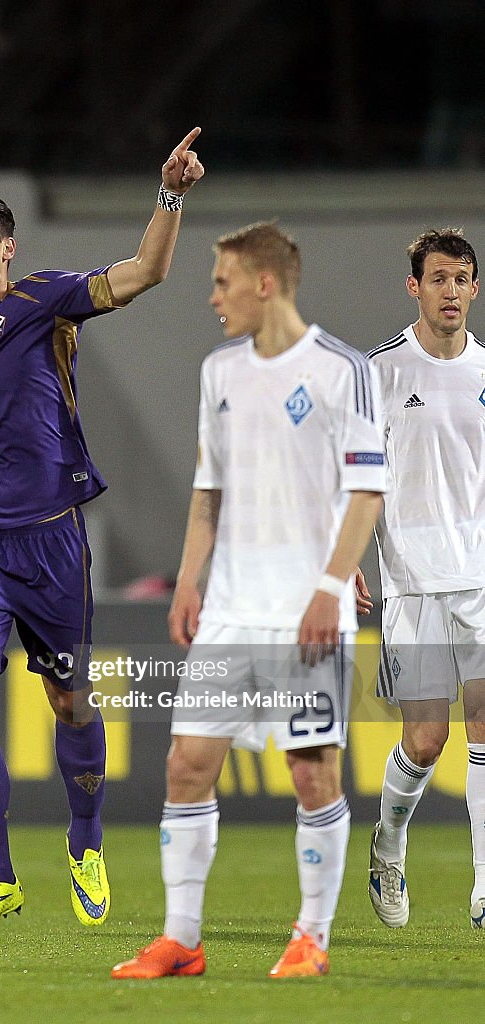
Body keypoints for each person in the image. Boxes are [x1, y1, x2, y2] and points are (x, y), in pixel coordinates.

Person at [0, 128, 204, 932]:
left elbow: (148, 271)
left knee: (70, 702)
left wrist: (171, 195)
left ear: (7, 247)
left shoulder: (47, 300)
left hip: (53, 538)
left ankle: (85, 843)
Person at [112, 221, 386, 981]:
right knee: (187, 763)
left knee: (311, 773)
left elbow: (366, 491)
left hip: (305, 609)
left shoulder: (342, 370)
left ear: (265, 284)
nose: (213, 297)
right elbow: (209, 491)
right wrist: (190, 580)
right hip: (230, 610)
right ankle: (181, 940)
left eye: (224, 282)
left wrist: (333, 586)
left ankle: (312, 937)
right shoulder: (220, 371)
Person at [362, 228, 485, 929]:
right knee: (427, 741)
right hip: (410, 578)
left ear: (474, 287)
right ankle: (389, 841)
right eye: (437, 278)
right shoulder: (381, 370)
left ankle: (483, 888)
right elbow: (351, 475)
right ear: (415, 287)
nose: (450, 290)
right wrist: (346, 556)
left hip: (480, 577)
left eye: (461, 277)